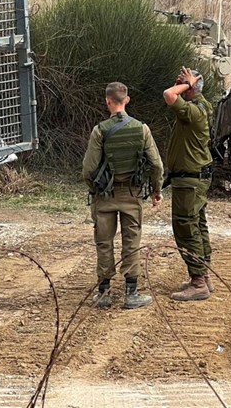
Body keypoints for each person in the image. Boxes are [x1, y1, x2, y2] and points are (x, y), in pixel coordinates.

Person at [82, 82, 163, 310]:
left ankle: (104, 293)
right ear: (127, 100)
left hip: (105, 196)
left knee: (104, 242)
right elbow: (156, 165)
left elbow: (88, 169)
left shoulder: (100, 130)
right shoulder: (142, 129)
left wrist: (95, 189)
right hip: (132, 193)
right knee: (131, 242)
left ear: (108, 101)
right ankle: (131, 292)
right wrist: (156, 191)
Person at [163, 66, 215, 302]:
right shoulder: (201, 106)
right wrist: (188, 83)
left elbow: (168, 95)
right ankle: (204, 276)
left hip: (190, 179)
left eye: (182, 83)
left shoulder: (193, 111)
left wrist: (188, 83)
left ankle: (198, 282)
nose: (178, 85)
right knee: (198, 225)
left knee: (185, 227)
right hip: (195, 177)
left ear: (192, 88)